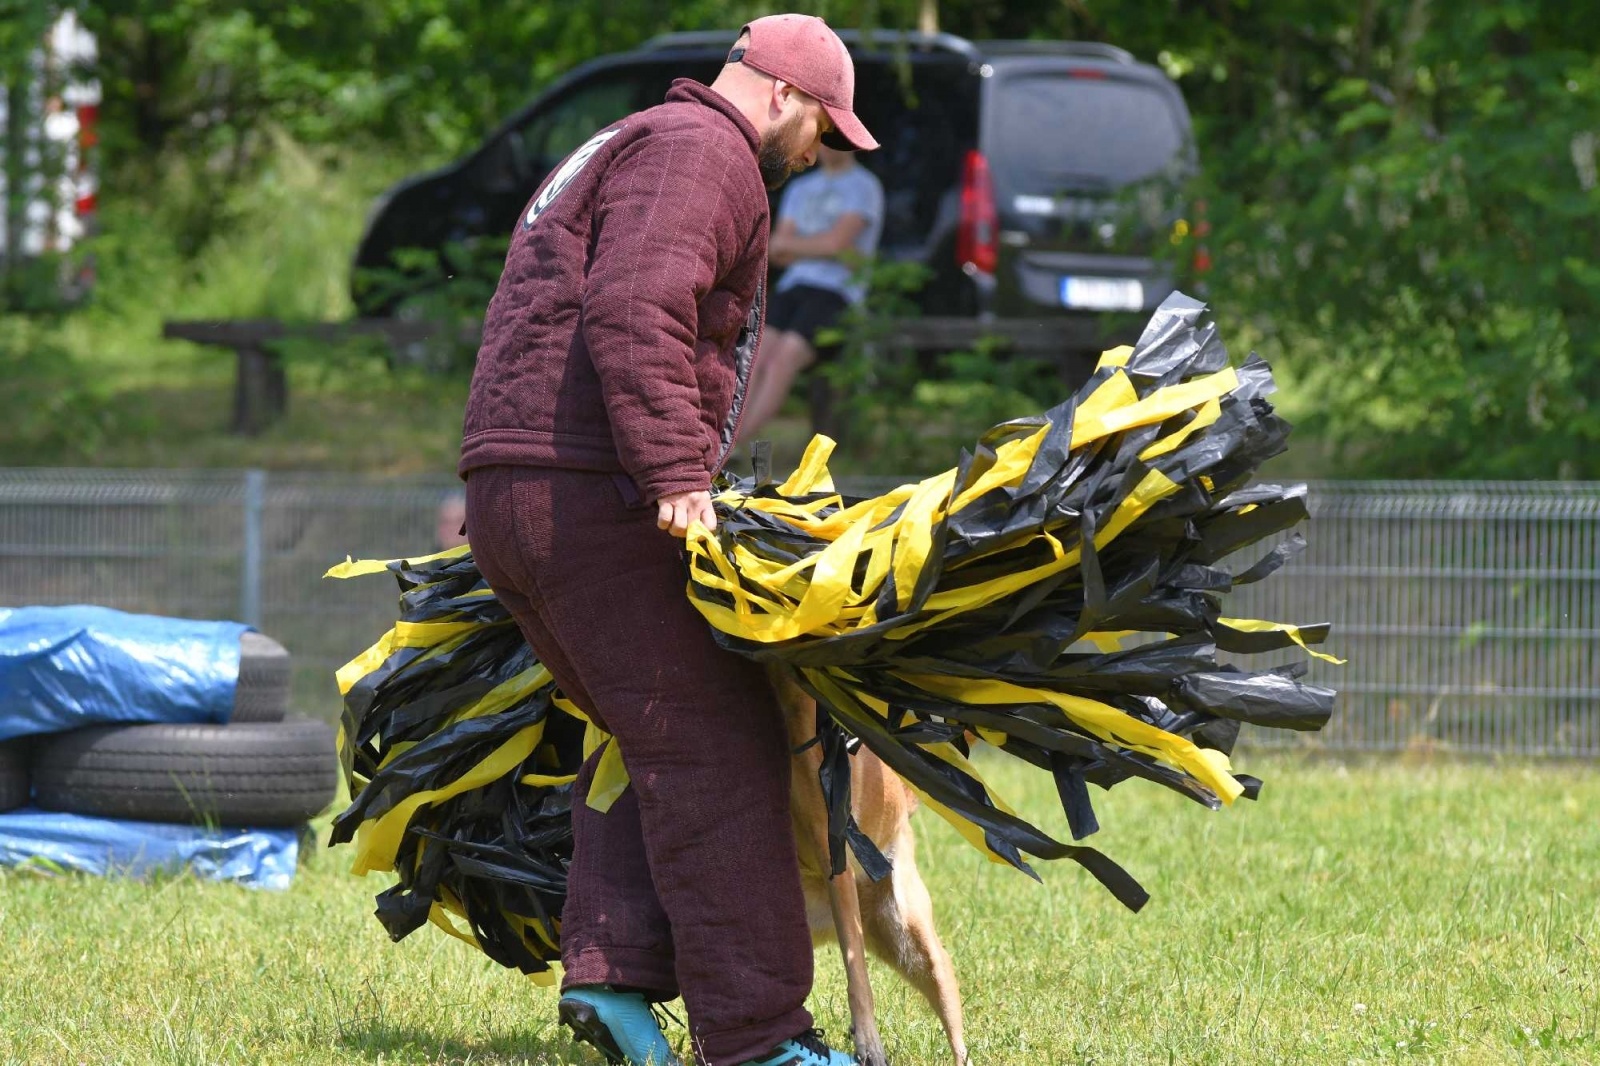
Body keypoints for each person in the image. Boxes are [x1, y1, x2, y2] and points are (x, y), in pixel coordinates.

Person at [456, 15, 878, 1066]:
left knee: (643, 737)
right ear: (781, 94)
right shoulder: (705, 153)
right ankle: (759, 1039)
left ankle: (613, 981)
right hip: (589, 494)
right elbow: (639, 304)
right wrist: (677, 472)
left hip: (522, 490)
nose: (820, 155)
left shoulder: (633, 138)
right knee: (717, 746)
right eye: (825, 128)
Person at [737, 144, 884, 444]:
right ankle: (726, 436)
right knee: (754, 357)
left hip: (837, 292)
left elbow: (837, 244)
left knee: (782, 361)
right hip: (795, 285)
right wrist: (820, 246)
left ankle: (735, 444)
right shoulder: (801, 187)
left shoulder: (864, 186)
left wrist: (800, 246)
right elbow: (776, 248)